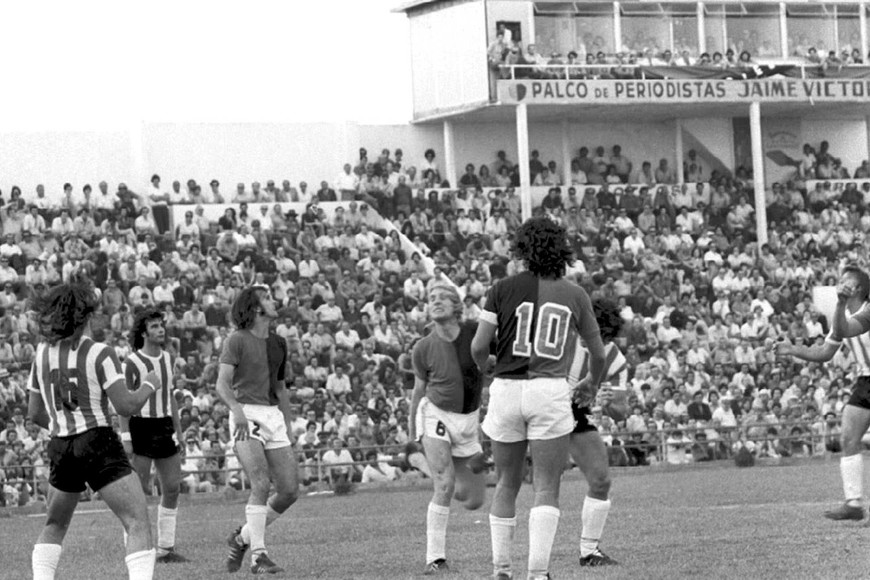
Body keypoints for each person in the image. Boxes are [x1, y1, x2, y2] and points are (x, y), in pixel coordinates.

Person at [471, 216, 606, 580]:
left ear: (522, 250)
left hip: (507, 389)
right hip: (549, 390)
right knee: (546, 485)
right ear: (562, 250)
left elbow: (479, 346)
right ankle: (537, 573)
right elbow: (598, 354)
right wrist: (592, 384)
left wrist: (487, 368)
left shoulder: (501, 288)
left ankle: (501, 569)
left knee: (506, 483)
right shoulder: (575, 294)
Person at [27, 281, 160, 580]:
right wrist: (149, 384)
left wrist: (64, 425)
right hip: (97, 441)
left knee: (54, 525)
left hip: (61, 445)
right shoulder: (100, 353)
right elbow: (125, 405)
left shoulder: (41, 353)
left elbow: (34, 413)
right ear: (84, 314)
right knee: (136, 521)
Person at [777, 265, 870, 521]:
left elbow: (846, 329)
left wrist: (839, 304)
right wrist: (793, 350)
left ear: (858, 288)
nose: (839, 283)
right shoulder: (843, 313)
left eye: (844, 280)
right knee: (848, 437)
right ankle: (853, 503)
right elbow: (825, 352)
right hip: (865, 380)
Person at [218, 286, 299, 574]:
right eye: (267, 298)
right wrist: (237, 411)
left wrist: (288, 426)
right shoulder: (236, 340)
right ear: (255, 308)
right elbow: (222, 383)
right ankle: (259, 557)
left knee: (289, 491)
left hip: (272, 416)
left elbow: (281, 388)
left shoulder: (279, 343)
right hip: (246, 413)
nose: (273, 301)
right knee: (261, 483)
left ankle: (241, 538)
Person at [409, 283, 488, 575]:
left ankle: (422, 464)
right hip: (436, 414)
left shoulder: (476, 333)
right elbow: (418, 392)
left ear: (457, 306)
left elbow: (493, 363)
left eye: (443, 297)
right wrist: (411, 434)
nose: (436, 301)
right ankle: (435, 558)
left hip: (469, 420)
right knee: (444, 484)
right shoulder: (423, 347)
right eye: (432, 298)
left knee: (474, 499)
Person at [121, 308, 188, 563]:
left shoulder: (168, 358)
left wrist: (179, 431)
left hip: (164, 426)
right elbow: (124, 401)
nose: (160, 330)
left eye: (161, 325)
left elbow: (170, 396)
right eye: (154, 326)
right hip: (140, 425)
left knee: (172, 487)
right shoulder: (132, 363)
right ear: (143, 333)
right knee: (138, 491)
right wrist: (126, 437)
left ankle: (166, 548)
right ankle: (135, 547)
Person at [566, 298, 627, 566]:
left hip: (575, 412)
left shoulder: (615, 360)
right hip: (543, 407)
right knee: (539, 483)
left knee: (601, 480)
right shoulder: (562, 338)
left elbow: (621, 412)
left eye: (602, 335)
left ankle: (589, 551)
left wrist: (611, 403)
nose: (592, 338)